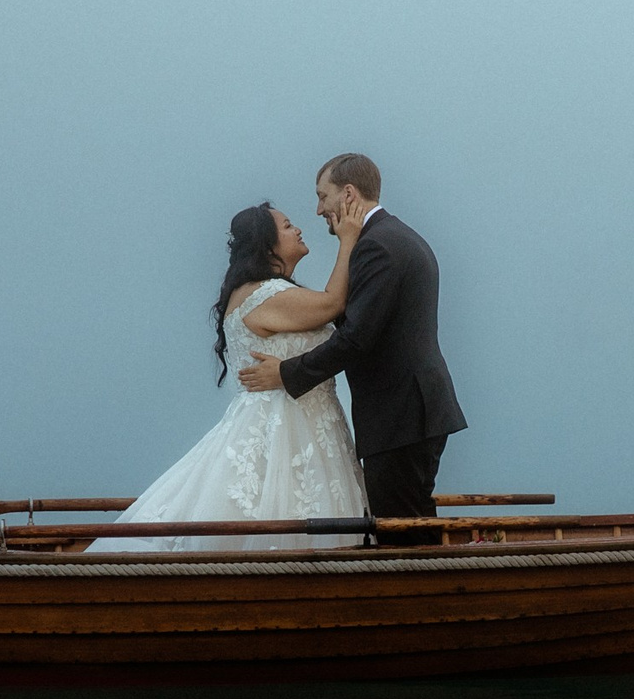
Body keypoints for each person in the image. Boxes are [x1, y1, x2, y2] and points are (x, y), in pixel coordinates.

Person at [93, 199, 370, 552]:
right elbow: (333, 304)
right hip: (285, 427)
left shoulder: (268, 292)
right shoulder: (267, 295)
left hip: (312, 422)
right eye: (287, 226)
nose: (297, 228)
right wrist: (348, 239)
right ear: (267, 245)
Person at [237, 154, 466, 530]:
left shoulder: (378, 246)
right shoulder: (394, 236)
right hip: (411, 412)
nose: (317, 209)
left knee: (400, 536)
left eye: (322, 196)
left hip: (400, 415)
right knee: (413, 527)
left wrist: (287, 373)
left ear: (347, 194)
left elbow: (357, 337)